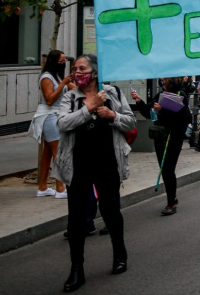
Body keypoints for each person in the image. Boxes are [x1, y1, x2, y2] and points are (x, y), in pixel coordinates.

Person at [53, 54, 135, 292]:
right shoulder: (70, 97)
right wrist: (89, 108)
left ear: (95, 73)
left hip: (107, 163)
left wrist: (112, 115)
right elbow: (62, 124)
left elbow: (130, 122)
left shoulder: (113, 93)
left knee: (111, 212)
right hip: (78, 165)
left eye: (82, 69)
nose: (77, 73)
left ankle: (119, 254)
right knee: (76, 219)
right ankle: (76, 269)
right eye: (75, 69)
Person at [131, 77, 192, 215]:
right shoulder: (160, 95)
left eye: (165, 78)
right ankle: (172, 197)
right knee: (164, 169)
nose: (162, 80)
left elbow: (183, 118)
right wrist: (139, 101)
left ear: (171, 79)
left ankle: (171, 202)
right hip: (160, 137)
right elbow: (148, 112)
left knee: (168, 169)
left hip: (173, 137)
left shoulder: (180, 95)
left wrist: (163, 110)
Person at [29, 50, 73, 199]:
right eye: (61, 61)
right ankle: (60, 188)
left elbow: (74, 88)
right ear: (53, 62)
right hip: (49, 116)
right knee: (58, 152)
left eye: (65, 61)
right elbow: (49, 100)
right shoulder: (46, 77)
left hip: (56, 115)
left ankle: (42, 187)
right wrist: (63, 84)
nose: (64, 63)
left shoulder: (58, 76)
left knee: (47, 153)